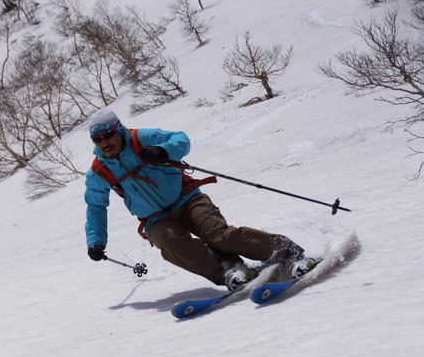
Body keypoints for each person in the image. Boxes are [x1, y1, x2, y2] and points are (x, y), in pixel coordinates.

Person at [83, 108, 316, 290]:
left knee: (219, 235)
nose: (104, 143)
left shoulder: (141, 138)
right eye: (97, 139)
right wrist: (96, 242)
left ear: (119, 129)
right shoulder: (99, 171)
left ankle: (287, 252)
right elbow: (95, 206)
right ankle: (228, 270)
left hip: (187, 200)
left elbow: (181, 139)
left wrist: (164, 152)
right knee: (170, 244)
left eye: (108, 135)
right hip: (156, 219)